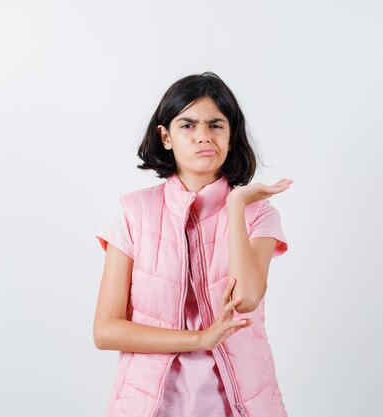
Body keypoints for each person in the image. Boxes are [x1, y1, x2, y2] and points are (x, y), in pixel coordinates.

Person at [93, 71, 293, 417]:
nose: (203, 136)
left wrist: (234, 206)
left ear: (232, 136)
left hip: (238, 404)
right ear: (165, 136)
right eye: (188, 125)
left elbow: (246, 298)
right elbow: (106, 331)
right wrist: (199, 339)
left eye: (216, 125)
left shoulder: (257, 213)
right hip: (149, 406)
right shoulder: (132, 213)